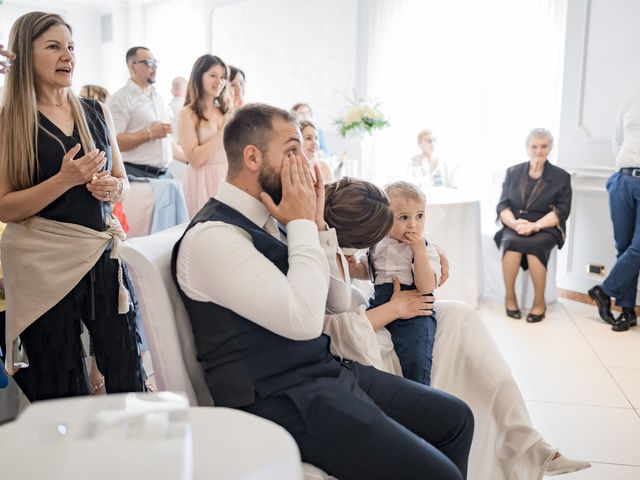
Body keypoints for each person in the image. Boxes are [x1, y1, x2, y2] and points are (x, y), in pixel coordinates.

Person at [172, 103, 474, 480]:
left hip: (323, 373)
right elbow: (303, 322)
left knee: (456, 419)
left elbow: (336, 300)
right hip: (278, 399)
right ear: (252, 157)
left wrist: (315, 225)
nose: (305, 162)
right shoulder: (213, 238)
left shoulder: (273, 218)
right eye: (293, 150)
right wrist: (299, 223)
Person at [322, 176, 591, 480]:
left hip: (395, 312)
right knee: (441, 345)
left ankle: (528, 443)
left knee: (464, 316)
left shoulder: (340, 238)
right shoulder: (317, 253)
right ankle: (431, 419)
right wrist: (394, 307)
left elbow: (393, 254)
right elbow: (326, 330)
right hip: (370, 331)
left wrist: (426, 250)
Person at [0, 12, 145, 401]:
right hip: (42, 264)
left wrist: (113, 189)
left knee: (126, 366)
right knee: (61, 382)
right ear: (24, 55)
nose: (67, 56)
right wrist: (64, 180)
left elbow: (123, 181)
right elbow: (5, 207)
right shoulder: (10, 121)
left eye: (71, 47)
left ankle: (133, 455)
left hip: (99, 255)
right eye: (53, 46)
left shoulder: (95, 111)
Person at [350, 181, 439, 385]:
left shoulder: (424, 248)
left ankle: (419, 391)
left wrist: (419, 254)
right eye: (404, 217)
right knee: (366, 343)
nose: (413, 224)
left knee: (416, 353)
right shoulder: (377, 242)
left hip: (416, 308)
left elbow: (426, 287)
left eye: (420, 215)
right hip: (381, 303)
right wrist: (355, 267)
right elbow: (371, 271)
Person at [495, 128, 571, 322]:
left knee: (535, 245)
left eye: (544, 146)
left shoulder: (561, 176)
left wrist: (535, 226)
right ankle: (510, 297)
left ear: (550, 147)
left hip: (546, 226)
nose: (539, 151)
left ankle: (539, 302)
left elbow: (561, 212)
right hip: (515, 223)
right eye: (534, 146)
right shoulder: (513, 172)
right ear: (527, 148)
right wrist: (513, 223)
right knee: (511, 243)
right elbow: (503, 205)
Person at [589, 98, 640, 332]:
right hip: (623, 180)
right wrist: (621, 168)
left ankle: (604, 290)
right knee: (624, 247)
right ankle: (627, 312)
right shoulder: (630, 104)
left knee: (637, 248)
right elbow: (617, 141)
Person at [107, 46, 176, 178]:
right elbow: (113, 143)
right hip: (136, 174)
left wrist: (188, 159)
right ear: (133, 67)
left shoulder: (159, 98)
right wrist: (150, 133)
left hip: (164, 174)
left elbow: (166, 140)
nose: (154, 67)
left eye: (155, 62)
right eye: (149, 62)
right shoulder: (119, 99)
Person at [178, 54, 232, 218]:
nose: (219, 81)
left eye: (223, 77)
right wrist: (223, 131)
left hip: (227, 177)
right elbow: (195, 159)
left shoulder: (226, 111)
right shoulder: (187, 113)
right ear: (199, 76)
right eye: (213, 76)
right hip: (201, 180)